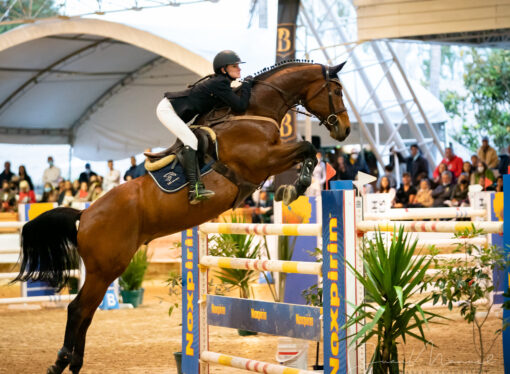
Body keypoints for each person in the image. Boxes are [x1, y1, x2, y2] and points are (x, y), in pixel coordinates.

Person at [157, 50, 253, 204]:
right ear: (223, 70)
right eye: (234, 66)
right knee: (191, 141)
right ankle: (194, 189)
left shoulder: (222, 83)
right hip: (167, 110)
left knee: (192, 141)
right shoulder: (219, 83)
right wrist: (247, 85)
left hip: (173, 109)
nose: (239, 68)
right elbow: (241, 106)